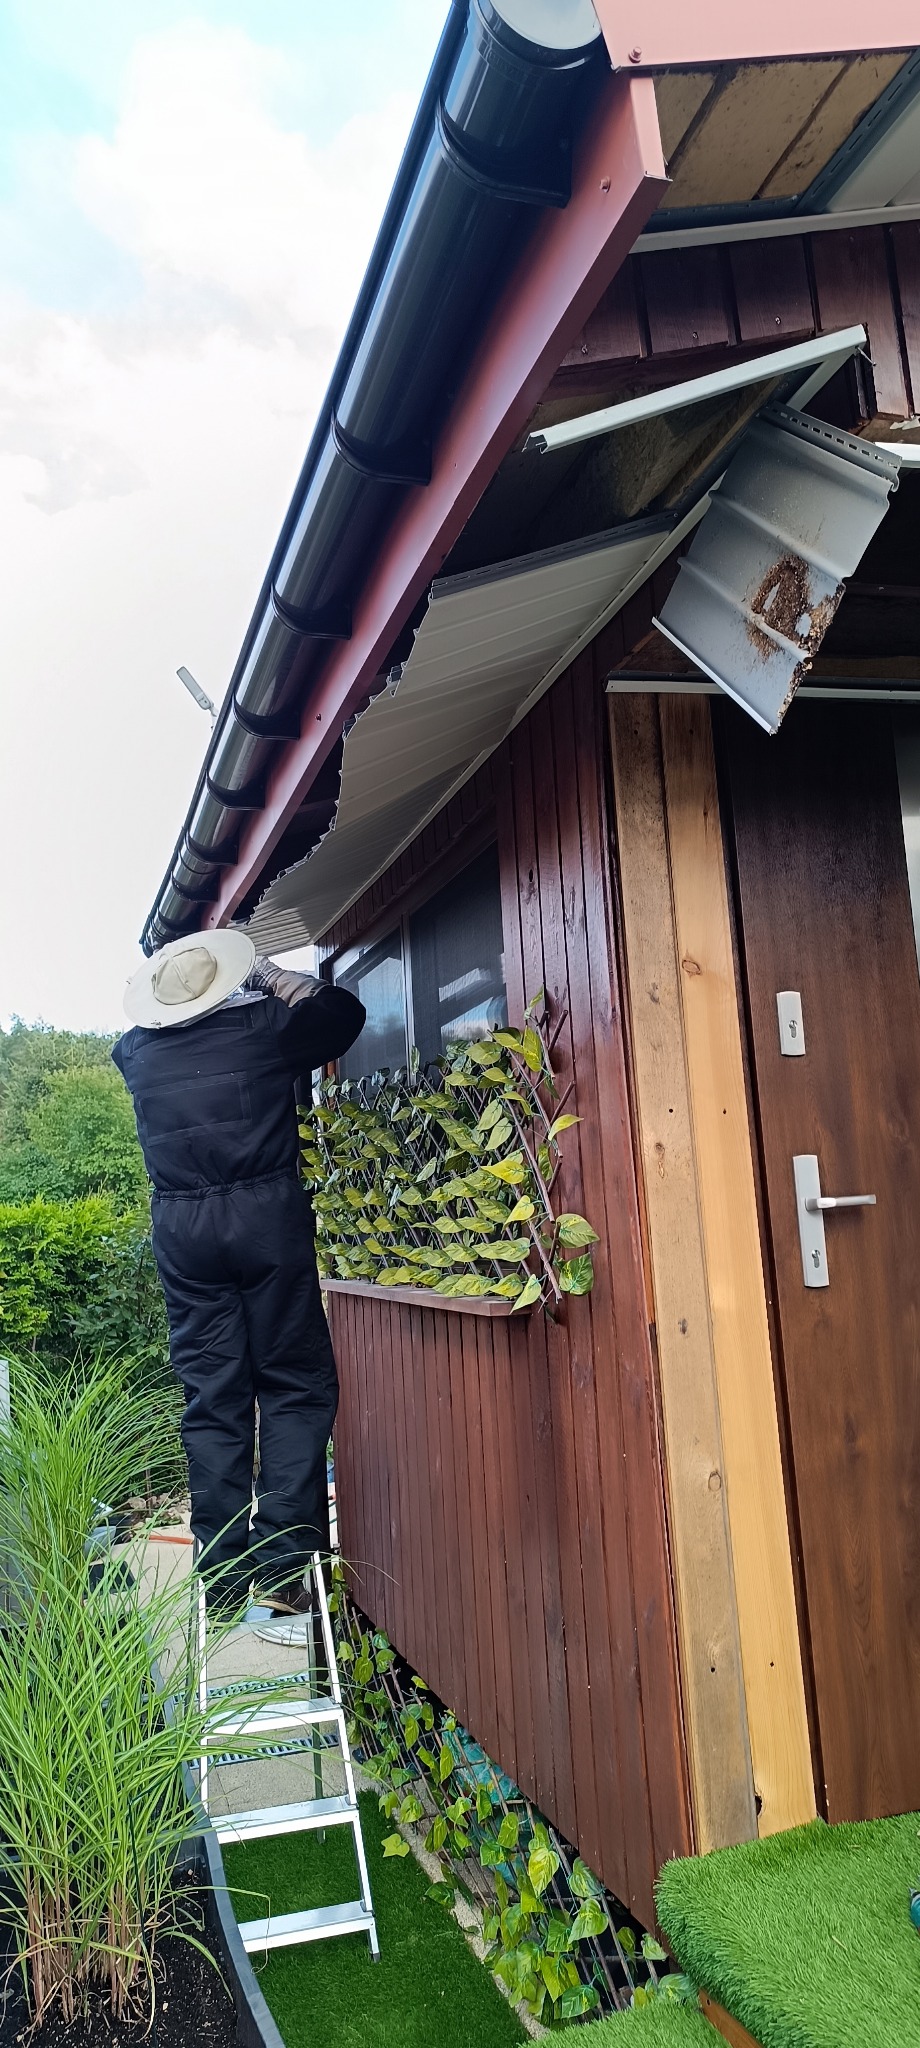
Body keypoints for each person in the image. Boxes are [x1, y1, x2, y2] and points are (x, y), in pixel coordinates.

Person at [112, 930, 365, 1619]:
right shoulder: (265, 1028)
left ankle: (221, 1580)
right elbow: (341, 1014)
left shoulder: (134, 1053)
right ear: (223, 985)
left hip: (183, 1232)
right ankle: (281, 1565)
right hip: (264, 1218)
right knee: (293, 1382)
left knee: (213, 1395)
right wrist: (269, 976)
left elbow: (152, 1044)